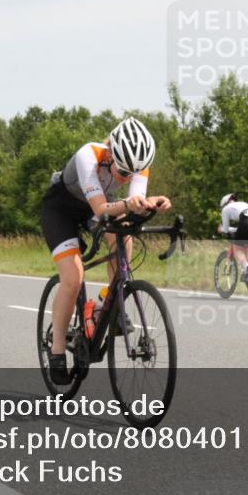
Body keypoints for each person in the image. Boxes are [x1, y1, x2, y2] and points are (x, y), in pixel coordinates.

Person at [40, 117, 172, 385]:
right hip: (62, 210)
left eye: (130, 174)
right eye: (121, 171)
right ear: (111, 153)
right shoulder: (88, 155)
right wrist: (130, 203)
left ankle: (105, 303)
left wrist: (151, 204)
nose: (124, 177)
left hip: (97, 207)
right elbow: (101, 210)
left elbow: (132, 203)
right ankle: (56, 353)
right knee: (74, 278)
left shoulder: (138, 164)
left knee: (124, 235)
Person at [217, 193, 248, 281]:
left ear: (224, 204)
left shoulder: (226, 209)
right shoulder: (242, 204)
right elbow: (240, 228)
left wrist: (221, 229)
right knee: (247, 246)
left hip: (247, 221)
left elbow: (226, 229)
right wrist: (233, 229)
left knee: (237, 248)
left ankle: (247, 269)